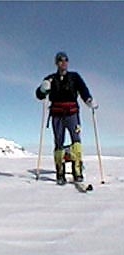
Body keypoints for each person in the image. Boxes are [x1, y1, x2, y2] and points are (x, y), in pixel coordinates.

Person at [36, 51, 98, 185]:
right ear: (56, 63)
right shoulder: (50, 78)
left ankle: (77, 172)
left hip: (72, 113)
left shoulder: (74, 77)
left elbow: (83, 89)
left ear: (68, 62)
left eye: (65, 60)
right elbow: (39, 95)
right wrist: (43, 89)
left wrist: (88, 100)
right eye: (60, 60)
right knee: (59, 142)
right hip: (57, 114)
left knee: (76, 142)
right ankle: (60, 173)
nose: (63, 62)